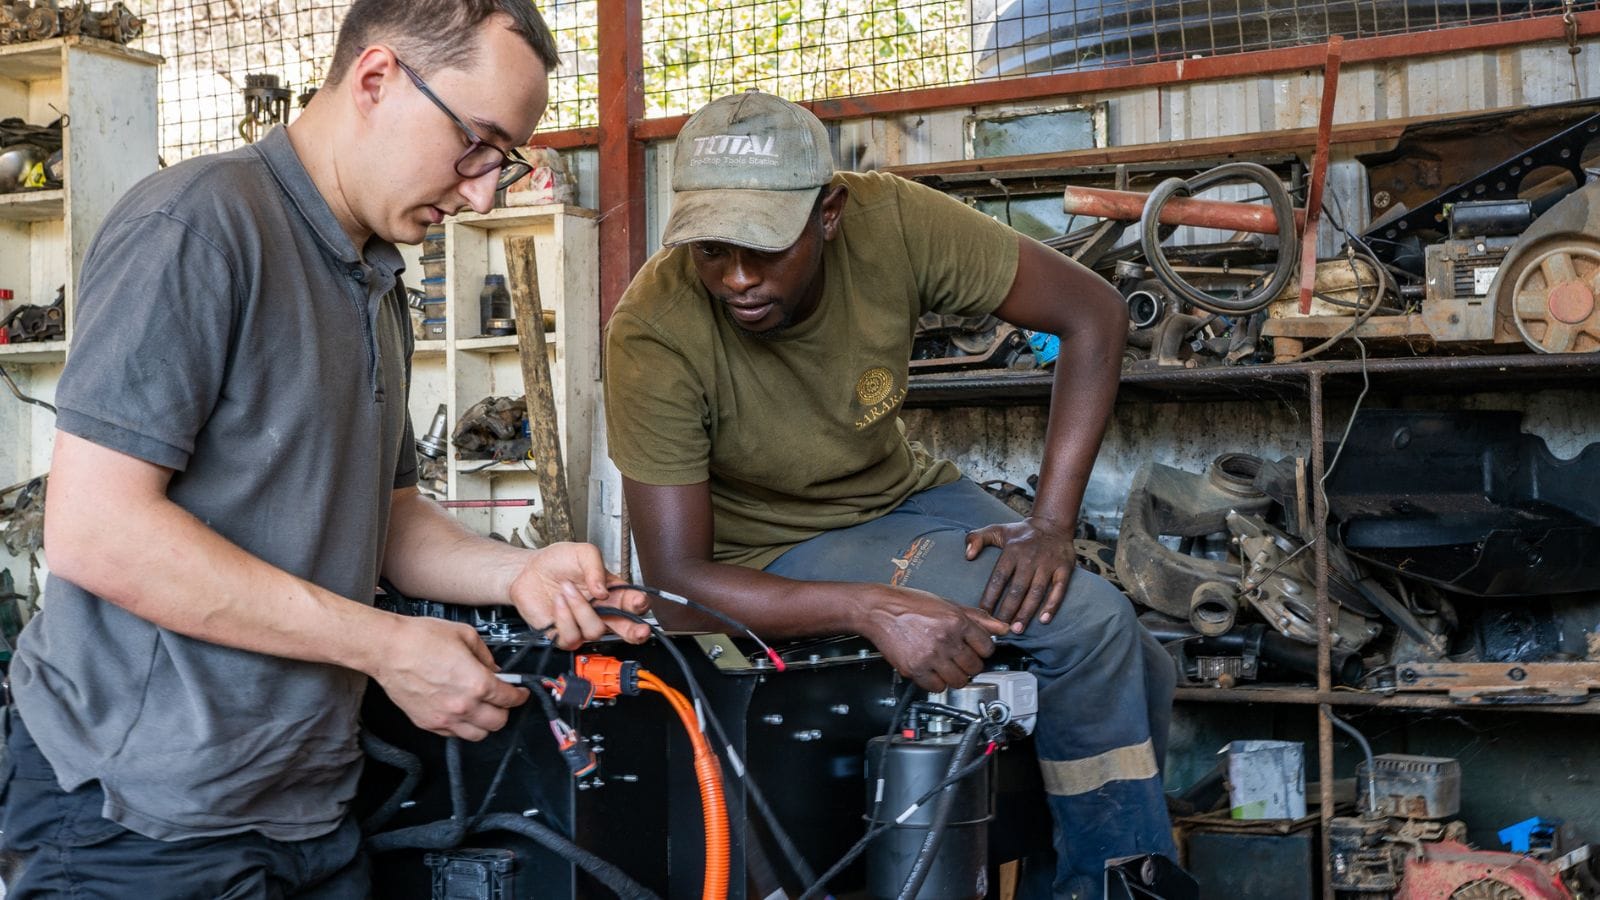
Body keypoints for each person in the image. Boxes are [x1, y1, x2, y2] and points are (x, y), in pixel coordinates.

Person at [0, 2, 648, 896]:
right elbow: (96, 529)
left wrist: (513, 576)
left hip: (306, 804)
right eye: (475, 143)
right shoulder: (198, 226)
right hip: (142, 814)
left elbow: (384, 517)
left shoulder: (377, 279)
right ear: (377, 79)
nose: (483, 193)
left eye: (503, 162)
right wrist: (384, 645)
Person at [604, 89, 1176, 900]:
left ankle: (1091, 881)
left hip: (901, 496)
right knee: (1087, 622)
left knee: (1138, 664)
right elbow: (676, 586)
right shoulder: (654, 332)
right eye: (710, 251)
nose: (736, 278)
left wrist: (1051, 522)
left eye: (764, 249)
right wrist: (873, 608)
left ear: (828, 214)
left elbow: (1094, 313)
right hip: (765, 553)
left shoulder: (894, 223)